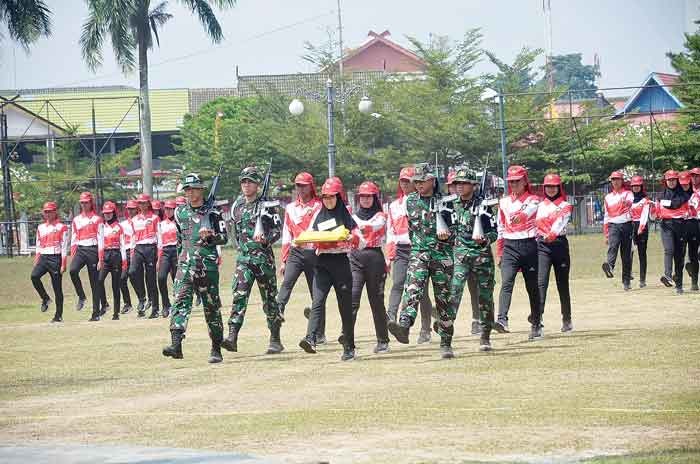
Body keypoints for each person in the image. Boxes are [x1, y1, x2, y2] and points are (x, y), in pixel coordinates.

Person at [386, 163, 456, 359]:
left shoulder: (447, 202)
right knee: (412, 287)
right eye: (416, 182)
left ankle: (446, 341)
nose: (418, 185)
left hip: (442, 254)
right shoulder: (411, 201)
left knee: (443, 299)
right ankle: (404, 325)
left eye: (421, 181)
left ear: (432, 181)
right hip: (419, 252)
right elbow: (412, 228)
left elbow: (456, 230)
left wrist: (447, 236)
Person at [163, 173, 228, 363]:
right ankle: (176, 344)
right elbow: (179, 239)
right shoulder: (179, 212)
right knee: (180, 301)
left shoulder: (214, 212)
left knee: (211, 307)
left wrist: (210, 236)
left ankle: (216, 348)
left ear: (201, 190)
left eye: (192, 189)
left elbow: (224, 237)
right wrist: (180, 260)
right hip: (185, 264)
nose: (189, 193)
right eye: (186, 189)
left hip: (206, 265)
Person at [299, 177, 364, 361]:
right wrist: (310, 242)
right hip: (322, 263)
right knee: (317, 301)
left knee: (345, 306)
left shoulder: (347, 215)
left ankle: (349, 347)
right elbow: (309, 238)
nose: (328, 200)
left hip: (341, 264)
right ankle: (311, 338)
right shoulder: (317, 216)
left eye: (332, 197)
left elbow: (361, 240)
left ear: (339, 196)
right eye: (325, 197)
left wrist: (352, 239)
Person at [222, 166, 284, 355]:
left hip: (263, 259)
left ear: (257, 184)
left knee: (269, 301)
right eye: (243, 181)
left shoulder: (268, 205)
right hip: (244, 260)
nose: (246, 185)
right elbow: (232, 229)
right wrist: (239, 247)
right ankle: (232, 337)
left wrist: (266, 239)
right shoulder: (237, 206)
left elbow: (277, 230)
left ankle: (275, 339)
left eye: (250, 181)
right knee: (239, 296)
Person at [448, 168, 497, 351]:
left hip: (482, 256)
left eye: (463, 183)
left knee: (485, 297)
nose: (459, 187)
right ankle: (446, 328)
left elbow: (494, 232)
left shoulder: (484, 206)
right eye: (457, 184)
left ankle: (485, 335)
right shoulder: (452, 205)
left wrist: (485, 239)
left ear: (472, 186)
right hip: (460, 254)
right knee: (455, 290)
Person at [385, 166, 435, 344]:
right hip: (401, 249)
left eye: (408, 181)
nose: (405, 184)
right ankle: (391, 320)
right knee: (398, 284)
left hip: (420, 248)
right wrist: (389, 256)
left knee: (421, 291)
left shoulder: (423, 201)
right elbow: (390, 231)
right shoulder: (393, 205)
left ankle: (426, 328)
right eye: (402, 181)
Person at [277, 172, 326, 342]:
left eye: (304, 185)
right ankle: (279, 310)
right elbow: (286, 234)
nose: (300, 188)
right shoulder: (290, 208)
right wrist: (283, 260)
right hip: (296, 252)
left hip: (315, 253)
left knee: (317, 294)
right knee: (287, 282)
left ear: (311, 186)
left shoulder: (320, 206)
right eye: (298, 185)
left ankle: (319, 333)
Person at [495, 165, 542, 340]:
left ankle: (537, 322)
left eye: (517, 181)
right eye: (511, 182)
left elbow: (528, 211)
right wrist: (499, 251)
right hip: (510, 247)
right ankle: (501, 320)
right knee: (506, 282)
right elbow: (500, 227)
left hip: (529, 246)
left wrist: (520, 216)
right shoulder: (503, 202)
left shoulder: (533, 199)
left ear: (524, 181)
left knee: (532, 286)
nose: (513, 184)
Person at [348, 180, 390, 354]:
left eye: (369, 196)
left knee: (377, 301)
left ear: (375, 197)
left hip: (375, 259)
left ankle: (383, 341)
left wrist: (358, 228)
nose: (365, 199)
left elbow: (376, 226)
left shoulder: (380, 215)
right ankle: (348, 341)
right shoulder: (351, 215)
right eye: (362, 196)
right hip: (355, 258)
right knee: (352, 300)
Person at [536, 174, 574, 333]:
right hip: (542, 246)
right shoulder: (539, 205)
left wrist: (550, 234)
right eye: (548, 186)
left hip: (559, 245)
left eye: (554, 186)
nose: (551, 189)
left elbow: (559, 224)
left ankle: (567, 319)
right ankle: (538, 319)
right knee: (541, 283)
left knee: (562, 285)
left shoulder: (566, 205)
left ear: (559, 188)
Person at [31, 201, 68, 322]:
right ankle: (45, 298)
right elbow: (38, 245)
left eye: (50, 211)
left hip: (55, 258)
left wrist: (63, 263)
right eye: (45, 211)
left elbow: (64, 247)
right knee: (34, 276)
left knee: (57, 288)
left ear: (55, 212)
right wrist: (37, 259)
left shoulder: (61, 227)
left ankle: (58, 316)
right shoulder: (40, 227)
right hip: (43, 258)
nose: (47, 214)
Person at [69, 191, 103, 321]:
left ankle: (96, 313)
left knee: (94, 283)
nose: (84, 205)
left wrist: (100, 258)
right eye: (82, 202)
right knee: (73, 271)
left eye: (86, 202)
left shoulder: (97, 219)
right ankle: (81, 296)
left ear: (91, 203)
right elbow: (73, 239)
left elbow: (100, 240)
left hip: (93, 250)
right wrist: (73, 255)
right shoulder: (76, 220)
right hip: (81, 250)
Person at [657, 170, 690, 293]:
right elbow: (658, 210)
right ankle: (668, 276)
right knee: (668, 249)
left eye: (673, 180)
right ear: (665, 181)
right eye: (669, 180)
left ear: (677, 181)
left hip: (680, 226)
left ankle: (679, 285)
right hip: (666, 225)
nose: (671, 182)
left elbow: (675, 204)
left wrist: (665, 203)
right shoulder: (661, 195)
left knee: (679, 256)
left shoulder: (684, 195)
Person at [601, 171, 634, 290]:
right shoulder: (608, 197)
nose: (615, 182)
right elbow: (606, 216)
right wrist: (606, 233)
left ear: (622, 181)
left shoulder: (628, 193)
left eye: (618, 179)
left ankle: (626, 281)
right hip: (613, 225)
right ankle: (609, 266)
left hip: (626, 225)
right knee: (613, 245)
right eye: (613, 180)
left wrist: (626, 202)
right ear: (611, 181)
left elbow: (631, 202)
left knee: (626, 254)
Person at [130, 193, 160, 318]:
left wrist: (159, 253)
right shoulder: (134, 220)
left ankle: (155, 308)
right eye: (139, 203)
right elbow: (132, 237)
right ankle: (142, 297)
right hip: (138, 248)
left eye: (144, 202)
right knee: (132, 272)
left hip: (151, 248)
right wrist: (132, 252)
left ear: (148, 204)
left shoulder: (154, 218)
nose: (141, 205)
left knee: (151, 279)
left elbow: (159, 237)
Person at [97, 201, 127, 320]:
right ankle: (104, 304)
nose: (107, 215)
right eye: (105, 213)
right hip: (105, 256)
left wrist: (124, 262)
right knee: (99, 280)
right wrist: (100, 259)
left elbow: (123, 245)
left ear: (114, 213)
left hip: (116, 255)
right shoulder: (101, 227)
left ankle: (116, 313)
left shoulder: (119, 227)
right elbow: (100, 244)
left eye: (109, 213)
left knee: (116, 285)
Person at [629, 175, 654, 289]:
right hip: (630, 226)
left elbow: (650, 216)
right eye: (634, 186)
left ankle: (642, 279)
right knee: (629, 252)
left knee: (642, 254)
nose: (635, 188)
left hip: (642, 227)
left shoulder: (646, 200)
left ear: (641, 186)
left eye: (638, 186)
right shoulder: (628, 199)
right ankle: (627, 276)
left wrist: (653, 208)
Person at [157, 199, 178, 318]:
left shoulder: (179, 223)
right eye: (166, 209)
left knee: (176, 280)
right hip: (165, 252)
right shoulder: (161, 224)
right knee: (161, 277)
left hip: (176, 251)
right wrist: (158, 259)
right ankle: (165, 305)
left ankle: (177, 305)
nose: (168, 211)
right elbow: (160, 242)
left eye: (170, 209)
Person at [119, 200, 137, 314]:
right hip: (125, 253)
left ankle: (142, 299)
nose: (130, 211)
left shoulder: (140, 222)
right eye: (128, 209)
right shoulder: (123, 224)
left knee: (135, 277)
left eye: (132, 209)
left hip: (136, 252)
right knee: (121, 279)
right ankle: (127, 303)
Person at [686, 167, 700, 291]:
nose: (694, 178)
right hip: (690, 223)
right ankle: (694, 282)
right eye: (693, 176)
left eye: (697, 176)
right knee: (693, 253)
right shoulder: (686, 190)